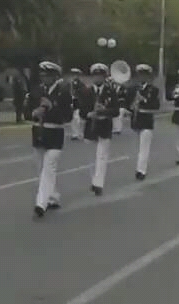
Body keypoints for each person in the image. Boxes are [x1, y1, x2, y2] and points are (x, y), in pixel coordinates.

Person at [29, 61, 73, 217]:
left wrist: (52, 107)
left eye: (48, 75)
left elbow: (67, 116)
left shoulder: (63, 93)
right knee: (41, 169)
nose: (44, 78)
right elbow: (28, 110)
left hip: (55, 134)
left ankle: (40, 203)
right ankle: (53, 197)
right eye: (43, 75)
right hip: (39, 133)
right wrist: (33, 112)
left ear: (55, 76)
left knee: (49, 168)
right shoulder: (37, 91)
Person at [83, 63, 117, 196]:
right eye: (96, 76)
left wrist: (104, 111)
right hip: (91, 126)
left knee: (102, 156)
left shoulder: (111, 91)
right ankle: (94, 179)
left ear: (104, 77)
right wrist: (88, 113)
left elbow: (116, 111)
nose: (98, 78)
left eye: (101, 76)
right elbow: (82, 110)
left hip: (104, 126)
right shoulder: (87, 91)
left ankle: (99, 183)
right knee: (91, 158)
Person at [128, 64, 161, 181]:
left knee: (144, 148)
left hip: (147, 121)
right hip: (136, 120)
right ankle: (139, 168)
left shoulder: (153, 90)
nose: (142, 77)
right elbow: (127, 104)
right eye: (140, 75)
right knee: (137, 148)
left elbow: (156, 106)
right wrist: (132, 105)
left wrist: (144, 100)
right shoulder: (133, 89)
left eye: (144, 75)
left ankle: (141, 171)